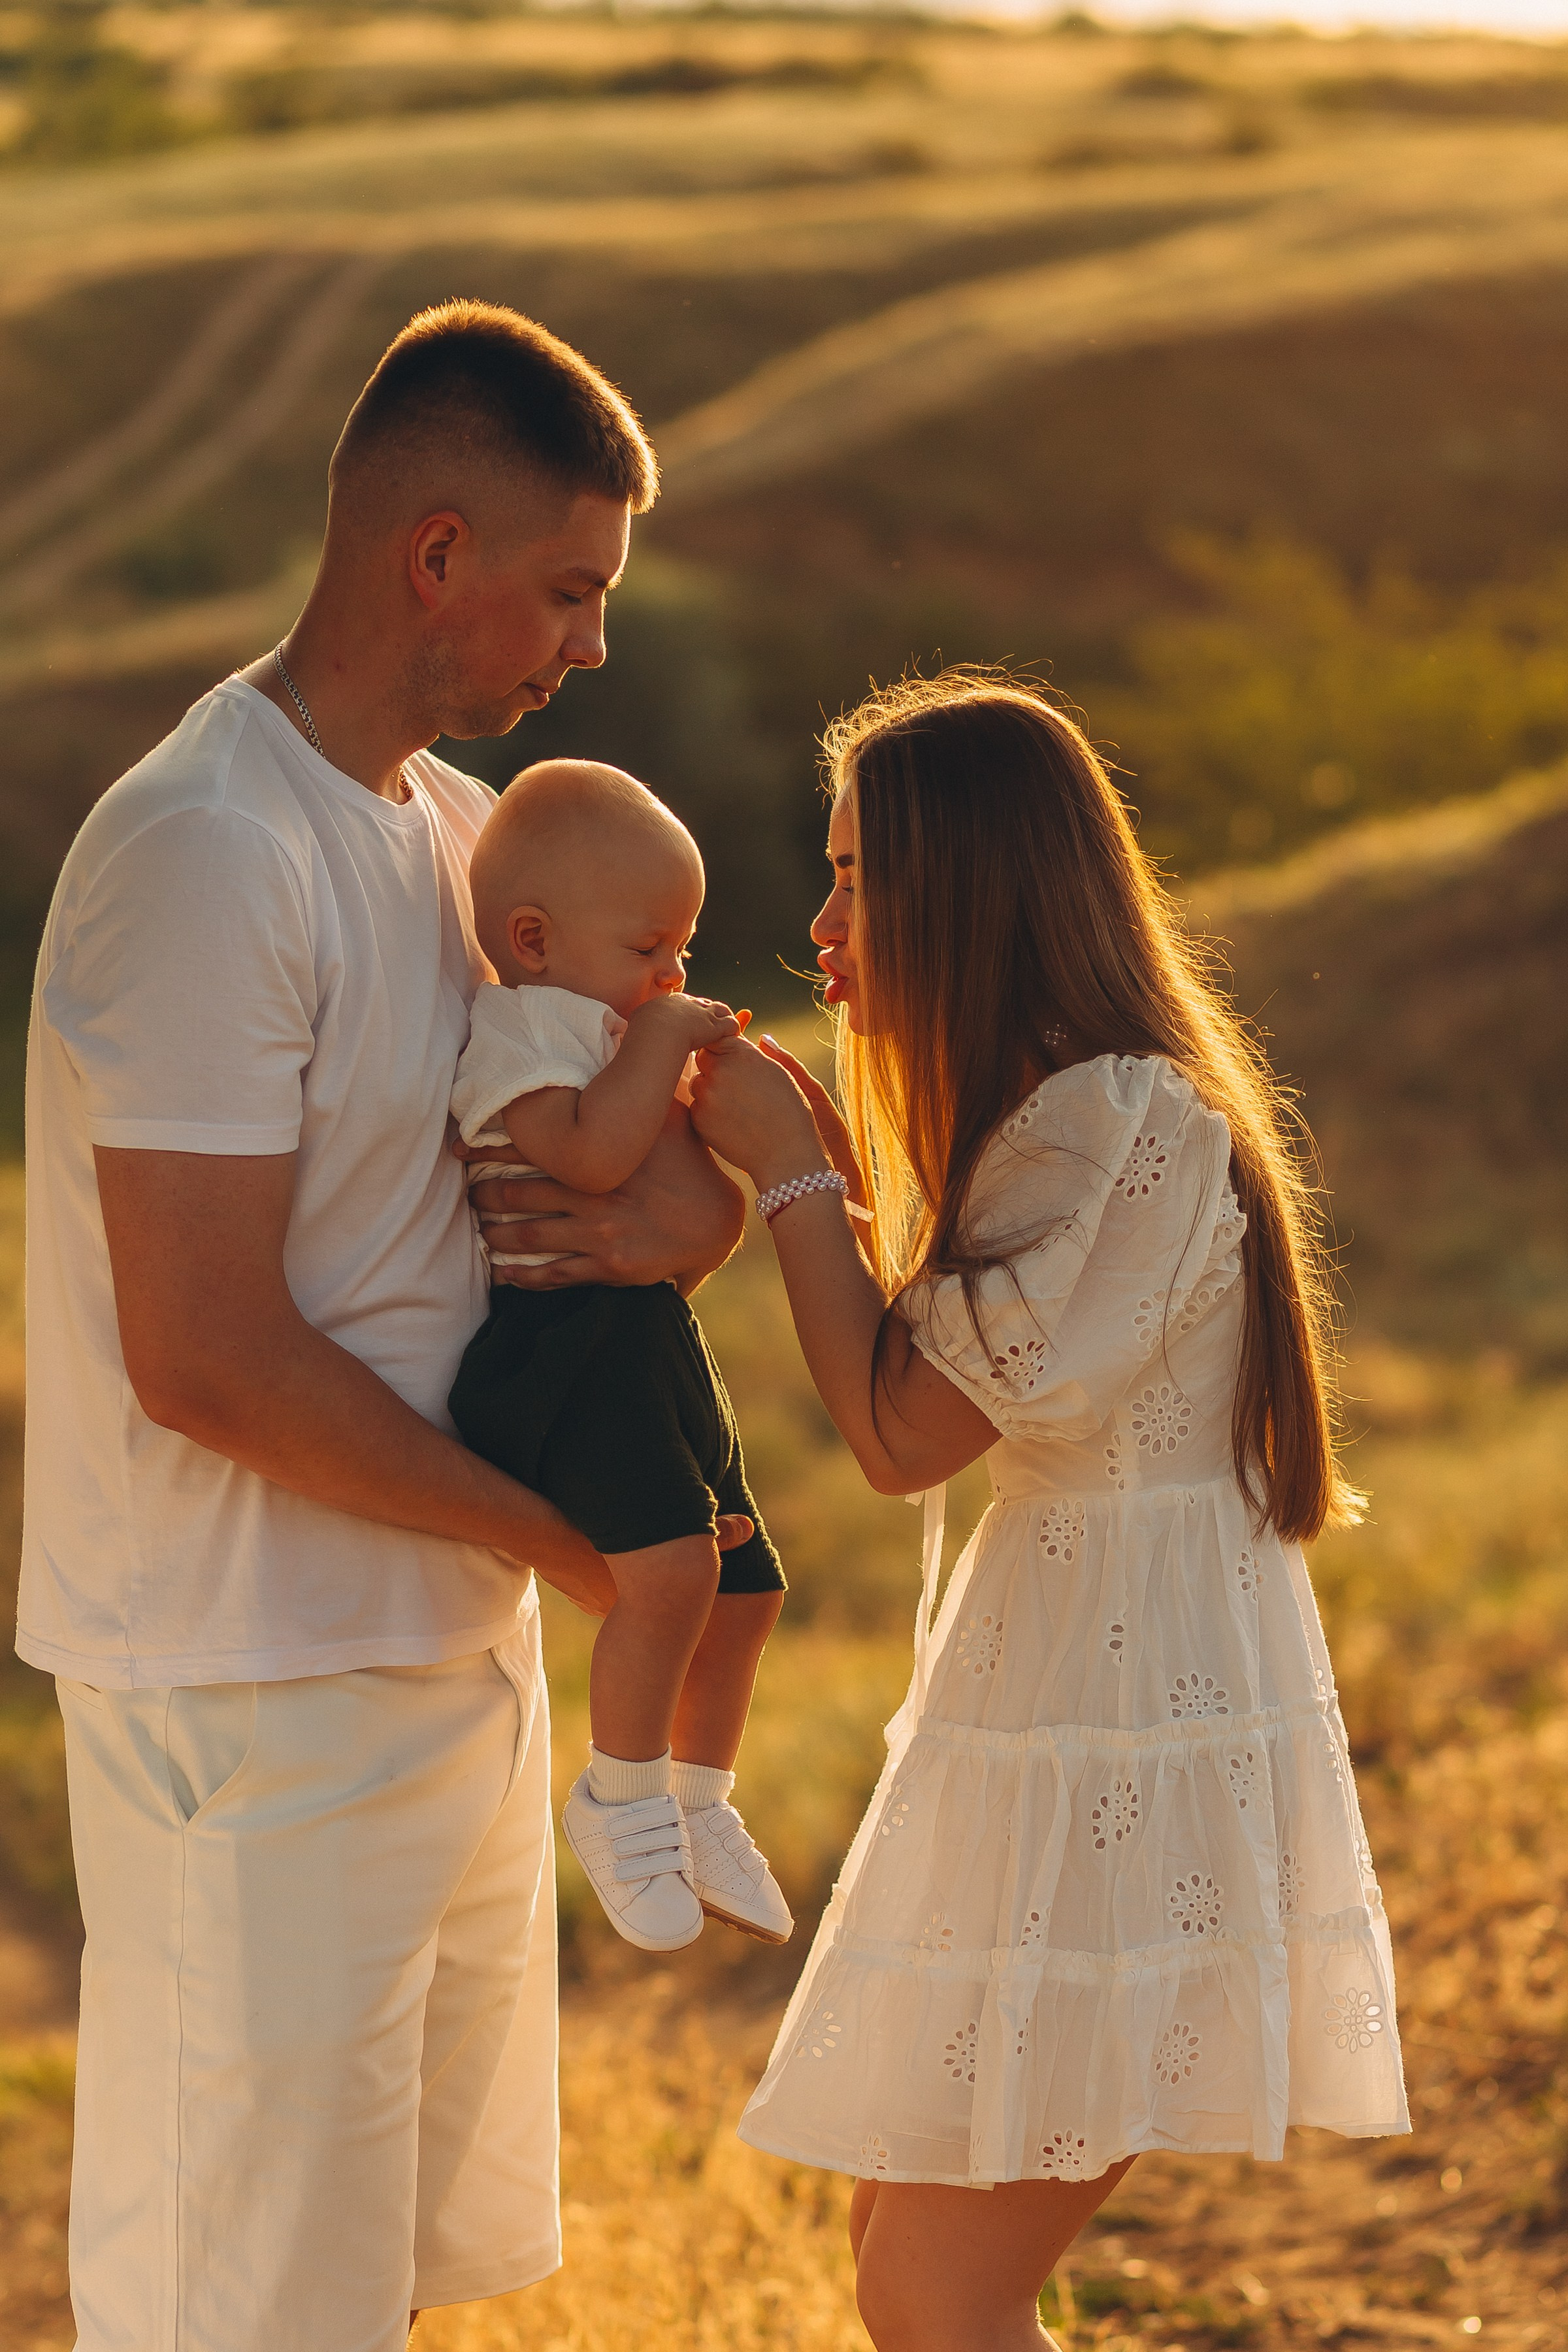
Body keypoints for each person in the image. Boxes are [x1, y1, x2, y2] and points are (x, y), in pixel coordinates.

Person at [20, 299, 748, 2352]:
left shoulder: (455, 845)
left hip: (446, 1653)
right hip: (255, 1682)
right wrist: (571, 1546)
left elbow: (611, 1215)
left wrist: (728, 1163)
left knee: (384, 2282)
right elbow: (207, 1356)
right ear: (436, 554)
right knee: (242, 2300)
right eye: (568, 590)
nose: (590, 646)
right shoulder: (201, 853)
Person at [688, 671, 1411, 2352]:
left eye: (857, 874)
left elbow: (896, 1430)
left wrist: (790, 1169)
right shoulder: (1059, 1120)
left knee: (936, 2287)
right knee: (912, 2256)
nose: (821, 924)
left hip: (1116, 1743)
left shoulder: (1112, 1121)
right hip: (1065, 1711)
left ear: (966, 886)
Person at [447, 755, 792, 1952]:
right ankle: (621, 1800)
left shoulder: (594, 1021)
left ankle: (700, 1802)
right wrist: (660, 1051)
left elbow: (681, 1203)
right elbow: (588, 1157)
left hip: (649, 1336)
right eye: (651, 947)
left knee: (749, 1588)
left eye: (681, 951)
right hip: (568, 1351)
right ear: (534, 939)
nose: (672, 974)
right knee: (675, 1575)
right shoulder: (519, 1029)